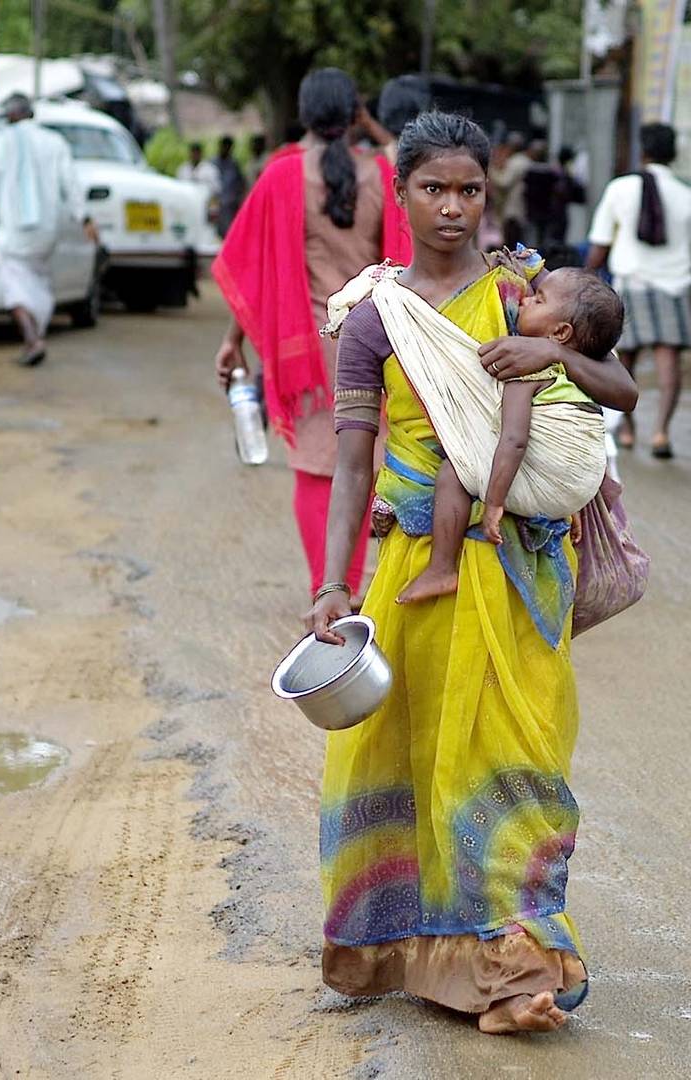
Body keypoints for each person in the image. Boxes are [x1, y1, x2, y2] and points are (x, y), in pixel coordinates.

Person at [307, 109, 637, 1035]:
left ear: (487, 195)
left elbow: (623, 392)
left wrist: (554, 350)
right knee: (417, 760)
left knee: (511, 760)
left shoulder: (525, 294)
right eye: (432, 189)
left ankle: (518, 968)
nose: (452, 208)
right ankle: (434, 958)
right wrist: (332, 585)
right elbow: (350, 462)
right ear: (400, 194)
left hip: (522, 570)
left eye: (469, 190)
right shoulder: (375, 317)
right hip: (417, 567)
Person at [210, 69, 408, 595]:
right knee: (364, 463)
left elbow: (250, 268)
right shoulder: (383, 174)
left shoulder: (281, 175)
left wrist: (234, 340)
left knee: (316, 469)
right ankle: (357, 584)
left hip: (310, 349)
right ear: (353, 116)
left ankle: (329, 589)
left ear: (303, 113)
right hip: (378, 342)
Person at [391, 261, 622, 604]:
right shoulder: (578, 373)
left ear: (560, 334)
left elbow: (514, 441)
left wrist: (495, 503)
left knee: (454, 472)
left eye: (539, 300)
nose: (526, 300)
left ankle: (441, 568)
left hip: (559, 483)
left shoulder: (526, 369)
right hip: (581, 484)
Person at [586, 122, 691, 459]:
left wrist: (583, 281)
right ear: (673, 154)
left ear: (641, 151)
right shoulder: (688, 197)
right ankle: (661, 432)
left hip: (631, 284)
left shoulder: (619, 189)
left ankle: (628, 429)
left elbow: (599, 246)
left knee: (624, 360)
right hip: (674, 286)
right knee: (668, 361)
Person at [0, 93, 95, 368]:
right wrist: (84, 218)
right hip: (47, 229)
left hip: (11, 229)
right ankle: (37, 331)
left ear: (9, 115)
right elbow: (70, 183)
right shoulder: (53, 141)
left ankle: (32, 338)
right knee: (38, 279)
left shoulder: (2, 141)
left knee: (14, 285)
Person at [490, 131, 531, 247]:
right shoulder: (525, 160)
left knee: (511, 243)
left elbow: (504, 182)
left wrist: (491, 170)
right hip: (521, 209)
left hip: (513, 209)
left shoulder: (516, 162)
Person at [177, 141, 220, 222]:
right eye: (193, 152)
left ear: (201, 153)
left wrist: (213, 210)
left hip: (204, 207)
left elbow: (216, 192)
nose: (195, 155)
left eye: (197, 152)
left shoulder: (210, 170)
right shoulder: (183, 169)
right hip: (187, 206)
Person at [212, 135, 245, 235]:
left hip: (230, 205)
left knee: (229, 231)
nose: (225, 149)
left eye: (228, 147)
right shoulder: (212, 164)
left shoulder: (234, 164)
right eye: (224, 146)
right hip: (216, 204)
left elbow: (240, 184)